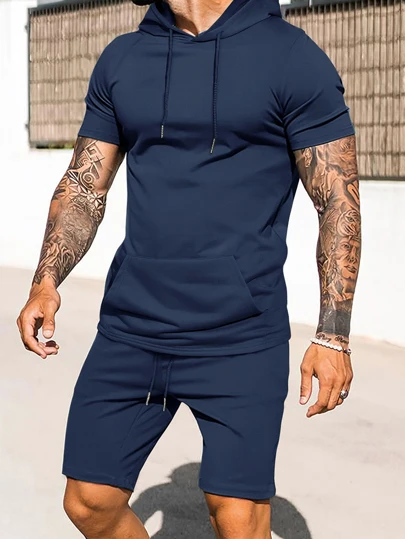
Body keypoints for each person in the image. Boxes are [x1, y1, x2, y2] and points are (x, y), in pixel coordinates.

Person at [17, 0, 361, 537]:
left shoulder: (291, 57)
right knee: (88, 501)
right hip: (133, 325)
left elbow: (337, 200)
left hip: (239, 336)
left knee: (238, 519)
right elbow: (85, 185)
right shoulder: (123, 58)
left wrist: (333, 334)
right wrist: (46, 280)